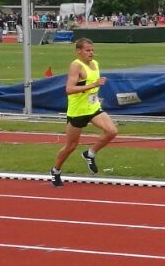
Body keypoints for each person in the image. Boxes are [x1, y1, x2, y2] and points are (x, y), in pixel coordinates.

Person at [50, 37, 119, 186]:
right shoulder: (76, 65)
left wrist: (96, 95)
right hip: (77, 111)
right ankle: (56, 170)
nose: (91, 53)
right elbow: (69, 89)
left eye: (92, 50)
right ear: (78, 51)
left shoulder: (95, 64)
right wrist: (94, 84)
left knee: (112, 131)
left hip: (92, 107)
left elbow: (91, 86)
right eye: (87, 50)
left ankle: (90, 153)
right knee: (71, 146)